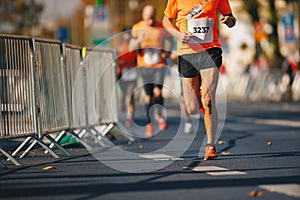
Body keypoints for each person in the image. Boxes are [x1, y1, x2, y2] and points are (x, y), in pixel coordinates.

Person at [163, 0, 236, 160]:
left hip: (211, 49)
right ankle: (203, 109)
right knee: (192, 108)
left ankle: (210, 145)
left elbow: (230, 19)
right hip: (187, 53)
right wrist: (179, 35)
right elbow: (166, 22)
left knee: (209, 100)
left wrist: (229, 20)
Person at [129, 5, 171, 137]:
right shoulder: (137, 28)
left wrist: (166, 53)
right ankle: (149, 124)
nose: (151, 21)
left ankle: (159, 115)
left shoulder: (161, 27)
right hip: (144, 66)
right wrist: (139, 40)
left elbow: (170, 41)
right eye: (148, 19)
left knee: (158, 92)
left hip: (159, 65)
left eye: (153, 18)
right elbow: (131, 47)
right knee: (148, 97)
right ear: (143, 16)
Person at [117, 27, 138, 127]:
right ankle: (122, 108)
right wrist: (120, 64)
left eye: (129, 34)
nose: (128, 36)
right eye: (126, 34)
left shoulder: (135, 46)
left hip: (132, 73)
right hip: (122, 74)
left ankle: (129, 117)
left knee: (130, 96)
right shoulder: (120, 47)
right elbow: (116, 61)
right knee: (123, 95)